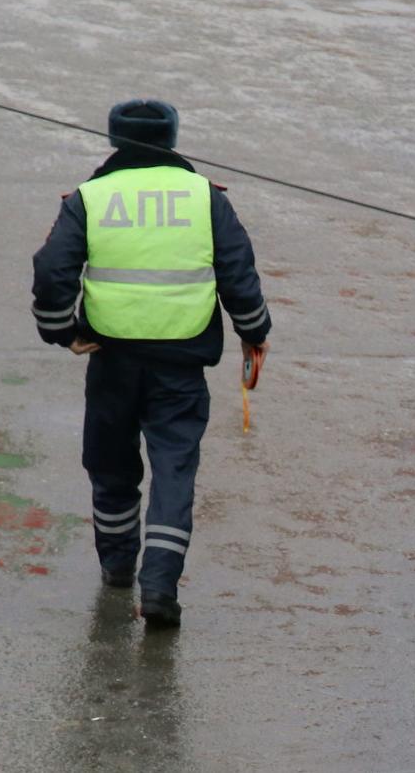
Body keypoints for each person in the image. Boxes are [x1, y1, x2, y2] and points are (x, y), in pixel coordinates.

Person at [31, 99, 270, 627]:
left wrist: (61, 330)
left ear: (115, 138)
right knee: (174, 473)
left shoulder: (90, 198)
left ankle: (117, 567)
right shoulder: (206, 198)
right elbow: (238, 273)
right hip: (181, 365)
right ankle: (159, 587)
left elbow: (53, 271)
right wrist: (255, 335)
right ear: (172, 137)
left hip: (110, 359)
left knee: (111, 465)